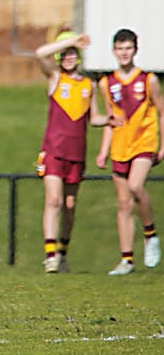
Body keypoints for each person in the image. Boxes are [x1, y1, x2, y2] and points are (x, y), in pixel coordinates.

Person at [36, 30, 118, 273]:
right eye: (65, 54)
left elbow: (94, 118)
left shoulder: (87, 84)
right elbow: (40, 53)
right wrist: (70, 41)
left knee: (70, 205)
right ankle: (50, 255)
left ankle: (63, 254)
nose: (69, 57)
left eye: (73, 53)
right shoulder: (55, 78)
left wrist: (110, 119)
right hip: (53, 149)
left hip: (76, 152)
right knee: (54, 200)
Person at [96, 28, 164, 276]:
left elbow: (162, 111)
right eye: (120, 48)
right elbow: (112, 120)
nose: (124, 53)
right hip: (120, 146)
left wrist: (162, 145)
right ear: (114, 51)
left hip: (144, 143)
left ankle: (150, 234)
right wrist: (104, 151)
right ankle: (126, 260)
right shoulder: (106, 82)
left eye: (128, 48)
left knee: (136, 187)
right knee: (124, 204)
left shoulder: (149, 80)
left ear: (135, 50)